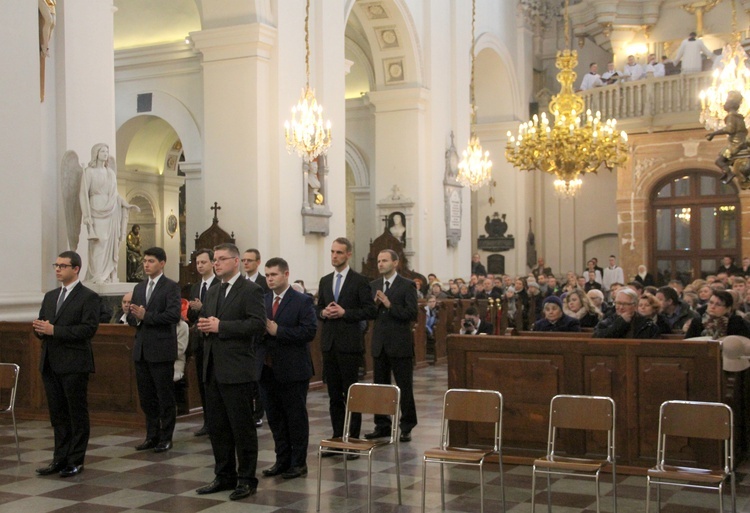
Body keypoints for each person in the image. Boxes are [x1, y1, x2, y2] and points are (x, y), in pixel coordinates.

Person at [196, 243, 266, 500]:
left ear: (236, 262)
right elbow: (205, 321)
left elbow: (257, 324)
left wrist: (221, 326)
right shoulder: (213, 291)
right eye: (215, 260)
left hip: (237, 370)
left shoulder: (251, 290)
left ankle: (247, 478)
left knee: (242, 428)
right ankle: (224, 475)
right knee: (218, 427)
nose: (216, 264)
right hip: (212, 368)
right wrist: (202, 326)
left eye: (221, 259)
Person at [33, 251, 100, 478]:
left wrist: (55, 330)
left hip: (74, 363)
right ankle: (59, 458)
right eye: (56, 265)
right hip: (51, 362)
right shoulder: (51, 296)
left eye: (63, 266)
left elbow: (88, 329)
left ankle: (75, 460)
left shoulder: (88, 296)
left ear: (76, 269)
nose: (58, 269)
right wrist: (40, 329)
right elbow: (44, 321)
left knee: (76, 413)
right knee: (58, 415)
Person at [258, 257, 317, 480]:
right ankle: (281, 460)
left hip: (293, 370)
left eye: (274, 274)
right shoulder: (263, 300)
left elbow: (309, 332)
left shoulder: (302, 301)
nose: (270, 279)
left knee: (295, 418)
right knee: (275, 418)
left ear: (286, 274)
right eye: (267, 275)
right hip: (267, 369)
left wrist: (278, 331)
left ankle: (298, 463)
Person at [316, 238, 377, 446]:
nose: (334, 256)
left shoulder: (359, 280)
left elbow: (370, 310)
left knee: (351, 392)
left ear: (348, 254)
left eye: (339, 253)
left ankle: (352, 436)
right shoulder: (325, 280)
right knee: (334, 394)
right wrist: (323, 312)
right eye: (332, 252)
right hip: (330, 343)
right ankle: (337, 435)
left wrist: (345, 312)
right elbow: (319, 308)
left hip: (350, 344)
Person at [128, 247, 181, 454]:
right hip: (141, 349)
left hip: (161, 350)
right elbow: (134, 318)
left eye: (151, 261)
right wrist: (132, 315)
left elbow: (173, 316)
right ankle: (151, 435)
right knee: (146, 396)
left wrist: (146, 316)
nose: (146, 264)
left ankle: (166, 437)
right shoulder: (140, 288)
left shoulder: (171, 287)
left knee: (164, 396)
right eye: (145, 261)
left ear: (162, 263)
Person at [365, 250, 418, 442]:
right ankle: (382, 425)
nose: (380, 264)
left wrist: (389, 304)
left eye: (384, 260)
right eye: (378, 261)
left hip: (399, 343)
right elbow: (370, 314)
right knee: (380, 386)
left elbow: (412, 313)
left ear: (395, 263)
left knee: (404, 386)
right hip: (380, 343)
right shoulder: (374, 285)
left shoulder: (407, 285)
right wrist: (374, 305)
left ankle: (407, 425)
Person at [79, 144, 139, 284]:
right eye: (102, 151)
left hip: (111, 210)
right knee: (99, 242)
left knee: (109, 243)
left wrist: (125, 204)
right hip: (95, 208)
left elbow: (115, 194)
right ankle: (97, 274)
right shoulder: (89, 172)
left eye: (107, 151)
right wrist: (86, 215)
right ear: (96, 153)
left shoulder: (110, 173)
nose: (105, 154)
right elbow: (83, 194)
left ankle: (107, 275)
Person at [186, 248, 219, 437]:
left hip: (214, 340)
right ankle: (207, 421)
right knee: (202, 382)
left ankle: (216, 422)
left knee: (214, 383)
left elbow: (217, 311)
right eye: (197, 263)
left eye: (203, 262)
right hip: (200, 341)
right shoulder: (195, 287)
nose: (199, 266)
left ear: (213, 263)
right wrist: (194, 309)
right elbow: (191, 315)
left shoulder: (218, 284)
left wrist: (202, 307)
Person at [242, 248, 267, 428]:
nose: (246, 264)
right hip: (243, 336)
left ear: (258, 262)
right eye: (243, 260)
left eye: (249, 260)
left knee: (257, 377)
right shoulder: (240, 283)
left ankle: (259, 412)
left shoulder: (264, 283)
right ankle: (247, 411)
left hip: (258, 337)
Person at [706, 91, 747, 184]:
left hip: (736, 144)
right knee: (724, 157)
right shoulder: (739, 117)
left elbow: (730, 129)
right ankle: (726, 171)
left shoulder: (731, 116)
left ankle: (729, 173)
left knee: (719, 161)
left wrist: (714, 133)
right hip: (741, 141)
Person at [593, 288, 661, 339]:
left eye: (625, 304)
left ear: (635, 306)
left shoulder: (647, 324)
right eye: (618, 303)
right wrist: (621, 322)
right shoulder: (608, 320)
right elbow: (597, 336)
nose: (621, 307)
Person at [685, 290, 750, 339]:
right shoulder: (697, 322)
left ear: (728, 309)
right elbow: (687, 343)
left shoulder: (737, 322)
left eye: (718, 304)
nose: (712, 306)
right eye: (711, 303)